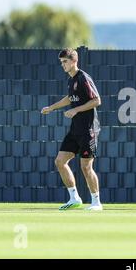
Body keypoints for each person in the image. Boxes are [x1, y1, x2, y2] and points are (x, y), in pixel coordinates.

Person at [41, 48, 103, 211]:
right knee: (60, 161)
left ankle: (96, 202)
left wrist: (76, 110)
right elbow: (70, 98)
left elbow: (97, 100)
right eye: (61, 62)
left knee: (86, 167)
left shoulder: (83, 78)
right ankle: (74, 198)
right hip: (76, 129)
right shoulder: (71, 80)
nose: (63, 65)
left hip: (88, 130)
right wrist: (52, 107)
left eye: (65, 62)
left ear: (74, 61)